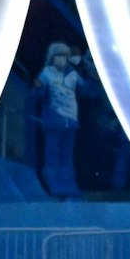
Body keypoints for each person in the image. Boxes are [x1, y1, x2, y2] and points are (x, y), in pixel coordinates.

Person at [35, 42, 87, 196]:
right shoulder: (46, 73)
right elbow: (38, 94)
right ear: (52, 57)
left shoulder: (73, 74)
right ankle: (52, 185)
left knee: (67, 155)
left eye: (64, 56)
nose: (61, 59)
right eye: (58, 56)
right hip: (53, 121)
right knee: (52, 155)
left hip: (70, 122)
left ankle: (69, 185)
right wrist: (39, 89)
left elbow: (86, 90)